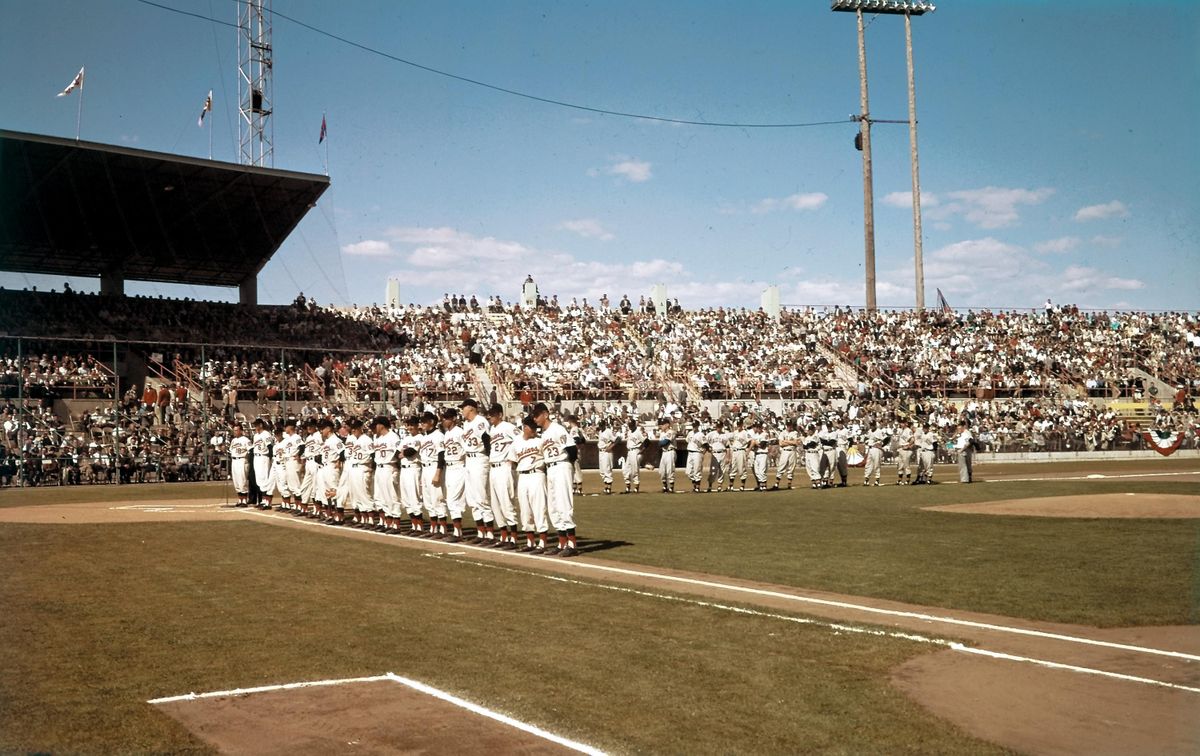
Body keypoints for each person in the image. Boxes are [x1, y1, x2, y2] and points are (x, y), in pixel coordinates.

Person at [532, 402, 578, 556]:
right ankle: (562, 543)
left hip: (561, 466)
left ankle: (572, 544)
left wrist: (566, 466)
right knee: (553, 507)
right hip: (550, 469)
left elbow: (572, 450)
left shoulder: (558, 429)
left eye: (537, 415)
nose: (535, 419)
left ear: (545, 414)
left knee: (564, 504)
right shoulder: (544, 434)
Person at [509, 415, 550, 553]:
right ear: (525, 428)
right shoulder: (516, 442)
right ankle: (530, 542)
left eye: (535, 428)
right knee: (525, 511)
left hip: (537, 474)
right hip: (523, 477)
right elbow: (512, 462)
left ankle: (542, 543)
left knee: (539, 509)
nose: (534, 430)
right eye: (531, 428)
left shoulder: (541, 441)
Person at [459, 399, 495, 544]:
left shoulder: (480, 421)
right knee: (472, 499)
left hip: (480, 459)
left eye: (463, 408)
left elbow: (486, 439)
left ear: (471, 408)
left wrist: (489, 458)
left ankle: (490, 534)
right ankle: (481, 533)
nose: (462, 410)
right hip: (469, 460)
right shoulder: (466, 424)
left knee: (482, 497)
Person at [485, 404, 518, 549]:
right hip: (493, 467)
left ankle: (514, 538)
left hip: (504, 467)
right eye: (489, 415)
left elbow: (521, 440)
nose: (490, 417)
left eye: (492, 414)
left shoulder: (508, 427)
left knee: (506, 502)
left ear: (500, 414)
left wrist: (514, 458)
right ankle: (503, 536)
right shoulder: (492, 429)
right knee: (495, 504)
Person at [440, 408, 469, 542]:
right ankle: (457, 531)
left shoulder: (459, 432)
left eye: (447, 418)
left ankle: (458, 532)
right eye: (444, 418)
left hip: (458, 466)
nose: (444, 420)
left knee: (453, 500)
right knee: (450, 499)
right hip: (449, 468)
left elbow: (466, 449)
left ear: (453, 419)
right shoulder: (447, 434)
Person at [418, 411, 448, 539]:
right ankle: (433, 527)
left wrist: (438, 473)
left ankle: (443, 529)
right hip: (425, 468)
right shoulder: (424, 437)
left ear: (431, 422)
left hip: (434, 467)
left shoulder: (438, 435)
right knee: (428, 500)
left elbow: (441, 455)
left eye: (425, 421)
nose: (422, 424)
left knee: (437, 498)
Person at [372, 416, 402, 532]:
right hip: (380, 469)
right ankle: (387, 523)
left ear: (382, 425)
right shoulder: (378, 438)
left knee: (392, 496)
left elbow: (398, 451)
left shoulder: (393, 437)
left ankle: (396, 524)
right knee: (381, 497)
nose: (375, 427)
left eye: (377, 424)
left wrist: (395, 467)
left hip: (389, 467)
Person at [399, 416, 426, 535]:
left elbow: (411, 452)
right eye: (408, 425)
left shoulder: (420, 437)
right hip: (404, 469)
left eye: (412, 425)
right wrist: (403, 453)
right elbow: (396, 452)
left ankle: (419, 527)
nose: (410, 427)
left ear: (417, 426)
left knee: (414, 497)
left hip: (414, 469)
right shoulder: (406, 438)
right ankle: (414, 525)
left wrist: (403, 453)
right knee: (406, 499)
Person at [250, 419, 273, 509]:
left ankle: (267, 501)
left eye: (256, 425)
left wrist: (270, 458)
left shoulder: (266, 434)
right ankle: (263, 500)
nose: (255, 427)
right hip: (257, 457)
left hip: (264, 457)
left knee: (264, 478)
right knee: (259, 480)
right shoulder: (256, 435)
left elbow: (270, 447)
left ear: (261, 425)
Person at [227, 423, 251, 506]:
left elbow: (250, 451)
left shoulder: (246, 440)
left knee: (242, 480)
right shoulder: (233, 440)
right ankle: (240, 499)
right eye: (234, 430)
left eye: (237, 430)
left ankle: (244, 500)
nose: (235, 432)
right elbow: (230, 451)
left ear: (241, 431)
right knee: (236, 481)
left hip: (242, 460)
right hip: (234, 460)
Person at [773, 420, 798, 491]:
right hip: (785, 452)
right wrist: (791, 442)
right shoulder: (782, 432)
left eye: (790, 425)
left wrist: (786, 441)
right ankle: (776, 484)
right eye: (788, 425)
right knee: (781, 467)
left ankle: (789, 485)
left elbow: (796, 443)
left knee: (791, 468)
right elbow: (781, 444)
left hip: (792, 451)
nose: (789, 426)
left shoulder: (795, 433)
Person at [622, 419, 644, 494]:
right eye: (629, 425)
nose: (630, 427)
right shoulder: (629, 432)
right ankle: (627, 487)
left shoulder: (638, 433)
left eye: (631, 425)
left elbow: (646, 442)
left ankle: (636, 488)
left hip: (635, 450)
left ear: (634, 425)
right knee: (626, 470)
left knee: (635, 470)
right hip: (629, 451)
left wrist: (642, 450)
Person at [596, 419, 616, 495]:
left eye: (601, 425)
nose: (600, 427)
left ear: (604, 425)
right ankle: (605, 487)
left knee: (607, 469)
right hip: (601, 452)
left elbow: (617, 439)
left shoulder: (608, 431)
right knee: (602, 471)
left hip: (607, 452)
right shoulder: (601, 432)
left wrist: (610, 447)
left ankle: (609, 488)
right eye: (600, 425)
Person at [685, 421, 705, 493]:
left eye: (695, 425)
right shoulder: (690, 433)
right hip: (690, 452)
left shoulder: (701, 434)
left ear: (698, 426)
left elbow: (705, 444)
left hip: (697, 453)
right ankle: (694, 486)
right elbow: (687, 440)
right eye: (693, 425)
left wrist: (706, 449)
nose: (694, 427)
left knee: (697, 470)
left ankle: (697, 487)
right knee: (689, 472)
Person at [656, 419, 676, 494]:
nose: (661, 426)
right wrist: (661, 443)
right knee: (662, 471)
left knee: (670, 470)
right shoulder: (662, 433)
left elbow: (665, 442)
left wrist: (661, 443)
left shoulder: (671, 432)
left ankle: (671, 488)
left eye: (663, 424)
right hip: (664, 453)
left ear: (667, 424)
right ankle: (665, 487)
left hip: (670, 452)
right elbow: (659, 443)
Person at [728, 422, 749, 491]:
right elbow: (728, 438)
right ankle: (731, 486)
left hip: (741, 450)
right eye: (738, 425)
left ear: (742, 425)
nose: (738, 426)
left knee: (741, 468)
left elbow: (750, 441)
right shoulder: (735, 432)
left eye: (740, 425)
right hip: (734, 451)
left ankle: (742, 486)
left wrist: (748, 450)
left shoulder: (745, 433)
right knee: (733, 468)